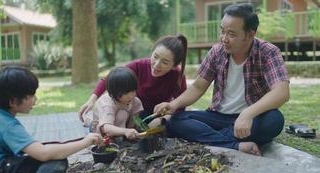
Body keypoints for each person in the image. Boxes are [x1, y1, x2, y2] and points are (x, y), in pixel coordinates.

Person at [155, 3, 289, 156]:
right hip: (219, 116)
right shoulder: (217, 52)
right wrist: (173, 104)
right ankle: (234, 144)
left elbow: (282, 92)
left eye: (231, 34)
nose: (224, 39)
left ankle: (211, 137)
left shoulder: (268, 52)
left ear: (250, 34)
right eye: (222, 31)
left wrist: (247, 114)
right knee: (177, 119)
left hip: (253, 118)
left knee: (275, 120)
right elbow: (198, 87)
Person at [0, 66, 102, 173]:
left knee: (52, 151)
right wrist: (85, 142)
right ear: (13, 101)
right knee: (57, 161)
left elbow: (35, 149)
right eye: (31, 95)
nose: (35, 100)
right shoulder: (7, 125)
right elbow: (43, 154)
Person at [79, 34, 188, 127]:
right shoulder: (139, 66)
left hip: (158, 116)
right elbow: (109, 78)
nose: (156, 64)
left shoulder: (177, 76)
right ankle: (93, 124)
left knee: (176, 127)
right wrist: (92, 100)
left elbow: (181, 106)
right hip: (134, 112)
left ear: (174, 66)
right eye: (155, 56)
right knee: (118, 118)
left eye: (165, 62)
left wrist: (161, 120)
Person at [83, 66, 143, 140]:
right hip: (103, 132)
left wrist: (132, 132)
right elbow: (107, 128)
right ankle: (91, 123)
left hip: (121, 127)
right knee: (122, 114)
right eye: (126, 93)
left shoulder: (135, 101)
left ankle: (122, 138)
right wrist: (125, 131)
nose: (131, 96)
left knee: (131, 109)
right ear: (114, 92)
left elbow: (134, 121)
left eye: (133, 91)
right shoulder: (107, 104)